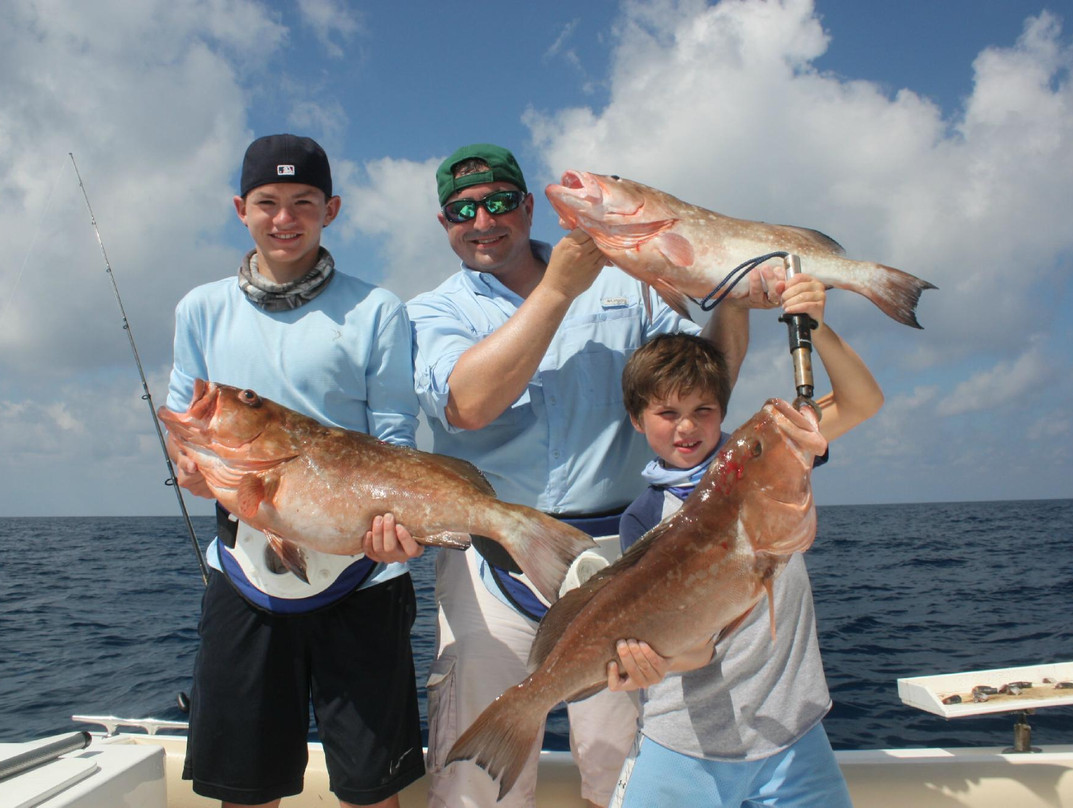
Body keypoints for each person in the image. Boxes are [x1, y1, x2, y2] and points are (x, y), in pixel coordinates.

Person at [404, 143, 782, 808]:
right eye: (462, 211)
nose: (482, 221)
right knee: (471, 778)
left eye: (497, 203)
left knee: (621, 764)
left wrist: (737, 290)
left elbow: (706, 381)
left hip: (623, 556)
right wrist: (558, 290)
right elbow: (466, 405)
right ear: (445, 225)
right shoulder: (434, 311)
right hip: (493, 562)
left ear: (526, 207)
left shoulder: (627, 278)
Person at [163, 133, 425, 808]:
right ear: (240, 209)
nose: (285, 218)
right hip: (244, 568)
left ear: (330, 209)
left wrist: (396, 528)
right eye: (268, 202)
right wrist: (190, 468)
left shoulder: (377, 311)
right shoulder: (200, 309)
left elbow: (394, 438)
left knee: (373, 788)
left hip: (364, 570)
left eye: (303, 202)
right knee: (243, 789)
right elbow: (182, 421)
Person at [604, 278, 884, 808]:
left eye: (704, 411)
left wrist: (817, 327)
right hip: (684, 745)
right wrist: (647, 663)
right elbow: (687, 646)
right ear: (639, 420)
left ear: (723, 410)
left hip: (794, 735)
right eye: (667, 413)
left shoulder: (765, 459)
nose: (687, 428)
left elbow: (863, 401)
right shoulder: (642, 520)